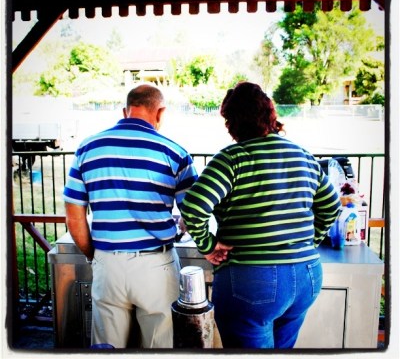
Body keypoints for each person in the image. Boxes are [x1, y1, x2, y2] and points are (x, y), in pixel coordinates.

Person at [180, 81, 341, 349]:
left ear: (232, 122)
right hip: (307, 276)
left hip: (252, 280)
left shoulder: (232, 158)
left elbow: (193, 206)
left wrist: (208, 246)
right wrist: (309, 242)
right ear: (270, 114)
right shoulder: (303, 156)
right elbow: (331, 206)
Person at [63, 84, 198, 349]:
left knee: (107, 348)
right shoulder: (175, 153)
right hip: (156, 265)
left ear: (126, 111)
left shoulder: (87, 149)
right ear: (160, 112)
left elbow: (74, 216)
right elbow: (193, 214)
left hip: (108, 263)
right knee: (160, 346)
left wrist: (94, 255)